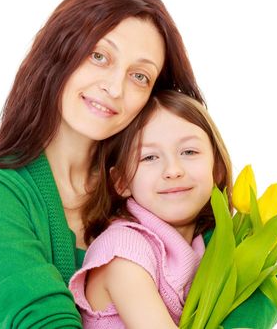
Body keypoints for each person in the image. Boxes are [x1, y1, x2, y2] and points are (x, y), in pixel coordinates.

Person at [0, 0, 277, 328]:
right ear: (58, 53)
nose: (114, 88)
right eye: (99, 56)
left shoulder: (149, 184)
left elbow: (257, 277)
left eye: (139, 76)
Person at [69, 90, 231, 328]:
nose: (173, 170)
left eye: (189, 152)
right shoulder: (124, 252)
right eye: (149, 158)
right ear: (122, 181)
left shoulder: (205, 247)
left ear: (216, 169)